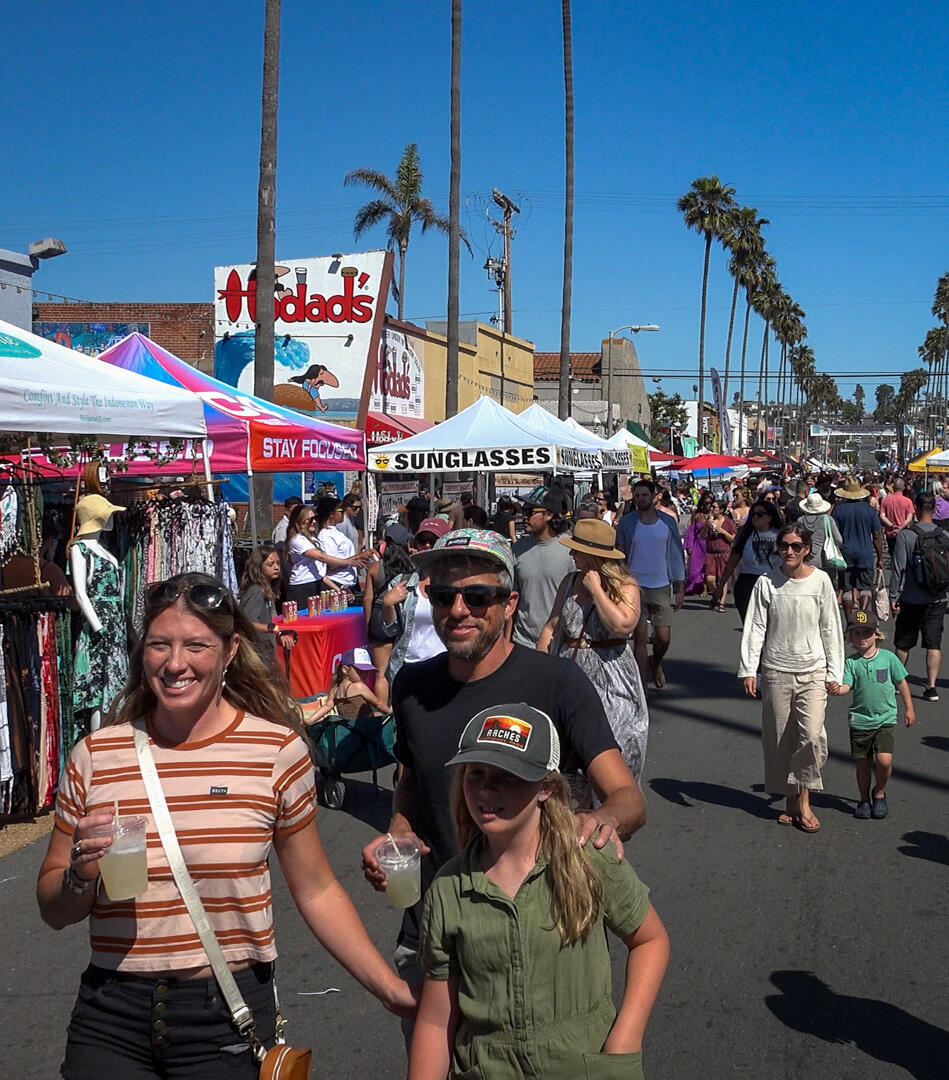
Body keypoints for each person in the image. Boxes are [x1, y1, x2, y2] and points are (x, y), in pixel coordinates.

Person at [37, 572, 414, 1080]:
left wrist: (388, 989)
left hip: (224, 1016)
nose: (175, 664)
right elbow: (54, 909)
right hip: (111, 1014)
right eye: (159, 645)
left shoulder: (276, 753)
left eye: (196, 645)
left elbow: (318, 889)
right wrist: (80, 875)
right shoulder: (95, 757)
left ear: (231, 649)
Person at [360, 530, 647, 1041]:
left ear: (509, 604)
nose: (459, 610)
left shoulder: (556, 683)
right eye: (444, 596)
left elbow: (626, 797)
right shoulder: (412, 687)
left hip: (538, 932)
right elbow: (412, 778)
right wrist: (399, 830)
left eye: (478, 596)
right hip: (435, 926)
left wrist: (600, 818)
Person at [409, 703, 668, 1080]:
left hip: (587, 1066)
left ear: (546, 787)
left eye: (507, 776)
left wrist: (626, 1038)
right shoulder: (448, 890)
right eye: (475, 773)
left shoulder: (588, 857)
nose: (486, 789)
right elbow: (436, 1018)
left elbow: (651, 940)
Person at [739, 524, 845, 833]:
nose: (789, 551)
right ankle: (789, 797)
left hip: (813, 670)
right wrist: (749, 668)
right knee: (780, 739)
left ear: (807, 549)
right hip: (776, 671)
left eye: (796, 546)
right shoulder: (766, 583)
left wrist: (834, 671)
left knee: (812, 736)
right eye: (784, 545)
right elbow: (756, 626)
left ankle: (804, 799)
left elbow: (831, 628)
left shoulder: (821, 581)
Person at [537, 518, 649, 782]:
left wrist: (597, 591)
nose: (571, 554)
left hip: (611, 674)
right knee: (570, 751)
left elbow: (622, 625)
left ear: (592, 555)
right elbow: (551, 628)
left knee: (614, 743)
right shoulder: (569, 582)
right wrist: (541, 669)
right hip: (571, 667)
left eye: (576, 550)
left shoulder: (626, 586)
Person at [829, 609, 914, 820]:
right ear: (851, 637)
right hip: (860, 720)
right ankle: (864, 799)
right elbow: (846, 686)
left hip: (885, 718)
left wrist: (909, 708)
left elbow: (901, 682)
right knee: (863, 765)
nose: (862, 637)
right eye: (857, 633)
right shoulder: (851, 663)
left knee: (884, 761)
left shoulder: (888, 658)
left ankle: (880, 792)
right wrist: (835, 688)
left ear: (876, 633)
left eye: (867, 632)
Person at [615, 478, 687, 690]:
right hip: (634, 586)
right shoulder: (628, 522)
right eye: (637, 496)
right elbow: (619, 552)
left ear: (655, 496)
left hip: (661, 586)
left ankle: (656, 662)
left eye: (644, 495)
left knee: (663, 637)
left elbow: (675, 554)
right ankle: (641, 686)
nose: (640, 499)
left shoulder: (667, 521)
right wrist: (620, 580)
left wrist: (680, 586)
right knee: (639, 638)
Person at [889, 490, 949, 702]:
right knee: (933, 644)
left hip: (911, 597)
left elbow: (898, 569)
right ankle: (931, 687)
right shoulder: (944, 535)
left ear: (915, 508)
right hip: (938, 597)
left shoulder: (907, 535)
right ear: (934, 509)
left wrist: (893, 596)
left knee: (903, 642)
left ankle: (898, 682)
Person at [512, 488, 574, 647]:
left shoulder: (571, 550)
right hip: (522, 642)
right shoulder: (517, 550)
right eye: (523, 510)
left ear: (549, 515)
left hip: (558, 643)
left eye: (529, 511)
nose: (524, 516)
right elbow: (512, 599)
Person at [713, 499, 784, 622]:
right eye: (753, 515)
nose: (755, 517)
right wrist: (720, 586)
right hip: (747, 583)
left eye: (760, 514)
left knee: (773, 626)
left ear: (769, 517)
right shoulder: (744, 535)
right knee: (750, 626)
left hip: (774, 582)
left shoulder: (781, 536)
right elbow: (732, 562)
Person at [283, 502, 356, 607]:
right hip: (302, 587)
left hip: (316, 584)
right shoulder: (297, 539)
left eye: (314, 518)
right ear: (300, 520)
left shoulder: (312, 539)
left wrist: (339, 590)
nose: (313, 522)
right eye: (309, 519)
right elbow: (321, 557)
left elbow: (320, 573)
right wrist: (350, 561)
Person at [832, 476, 884, 621]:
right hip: (865, 553)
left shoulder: (839, 510)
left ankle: (849, 622)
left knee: (847, 588)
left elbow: (835, 534)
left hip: (845, 553)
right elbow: (876, 536)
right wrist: (880, 558)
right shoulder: (869, 510)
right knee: (865, 588)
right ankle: (862, 617)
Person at [238, 545, 297, 660]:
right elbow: (248, 623)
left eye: (278, 563)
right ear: (259, 567)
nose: (276, 567)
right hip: (256, 653)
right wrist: (274, 629)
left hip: (265, 649)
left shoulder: (266, 589)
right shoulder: (256, 591)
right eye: (270, 564)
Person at [302, 647, 389, 725]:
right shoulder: (359, 687)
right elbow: (377, 703)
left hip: (348, 728)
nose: (365, 675)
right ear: (345, 670)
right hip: (365, 726)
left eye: (367, 671)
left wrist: (310, 720)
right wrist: (389, 711)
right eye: (360, 671)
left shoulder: (336, 689)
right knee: (378, 714)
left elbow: (327, 706)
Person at [316, 495, 366, 595]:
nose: (343, 513)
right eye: (340, 510)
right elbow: (331, 565)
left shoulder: (336, 531)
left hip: (348, 583)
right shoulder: (326, 536)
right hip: (337, 583)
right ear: (331, 514)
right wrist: (356, 558)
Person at [702, 498, 737, 611]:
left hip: (724, 552)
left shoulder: (728, 521)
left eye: (714, 507)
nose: (712, 509)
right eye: (711, 507)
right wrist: (706, 527)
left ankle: (721, 603)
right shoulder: (710, 521)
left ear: (721, 509)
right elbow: (702, 537)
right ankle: (716, 594)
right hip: (711, 553)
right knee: (709, 578)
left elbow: (733, 538)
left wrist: (723, 532)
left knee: (723, 578)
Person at [682, 495, 711, 596]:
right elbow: (691, 531)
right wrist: (689, 545)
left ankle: (706, 589)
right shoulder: (697, 515)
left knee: (707, 567)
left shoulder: (714, 515)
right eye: (706, 503)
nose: (708, 506)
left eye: (710, 503)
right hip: (698, 543)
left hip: (710, 543)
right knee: (695, 568)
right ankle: (697, 586)